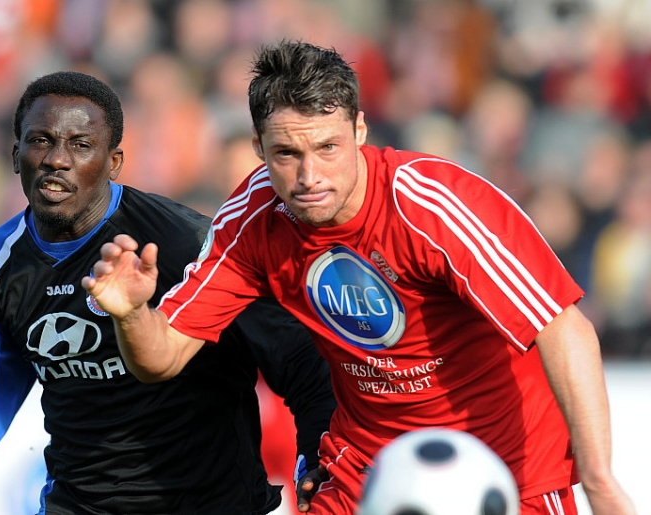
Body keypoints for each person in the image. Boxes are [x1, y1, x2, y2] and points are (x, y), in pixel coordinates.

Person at [80, 41, 636, 515]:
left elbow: (563, 328)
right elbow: (161, 358)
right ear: (258, 149)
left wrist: (600, 481)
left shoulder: (431, 205)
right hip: (369, 470)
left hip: (504, 468)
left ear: (360, 130)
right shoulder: (252, 221)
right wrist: (131, 314)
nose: (309, 175)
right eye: (286, 153)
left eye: (328, 147)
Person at [0, 71, 337, 515]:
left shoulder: (187, 245)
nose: (56, 159)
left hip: (210, 504)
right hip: (78, 504)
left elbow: (299, 359)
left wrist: (318, 458)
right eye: (40, 141)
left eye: (80, 144)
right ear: (15, 154)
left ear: (114, 163)